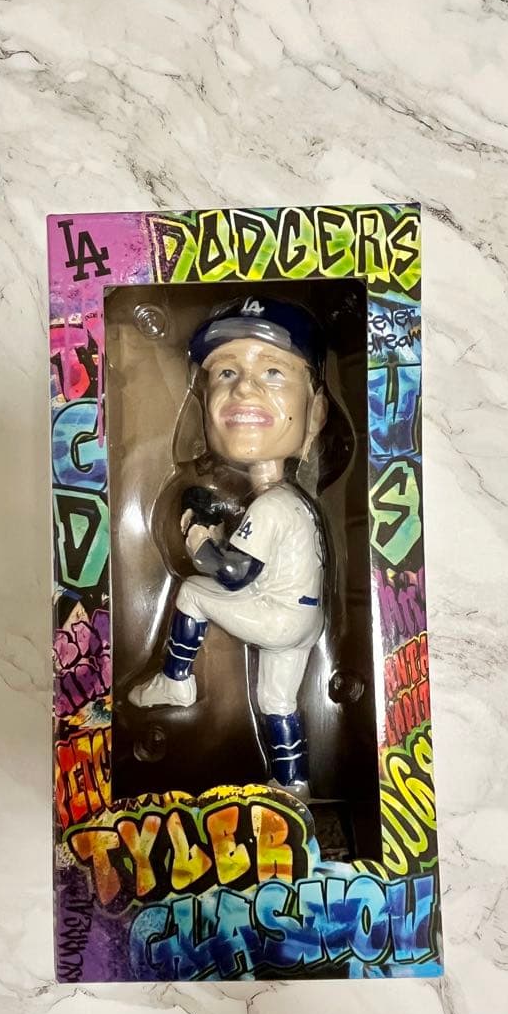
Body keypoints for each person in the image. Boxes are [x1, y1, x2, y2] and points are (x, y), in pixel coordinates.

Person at [129, 296, 328, 799]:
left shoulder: (275, 504)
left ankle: (176, 680)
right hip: (304, 619)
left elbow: (236, 575)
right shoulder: (288, 503)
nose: (243, 388)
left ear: (316, 413)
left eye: (274, 372)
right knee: (277, 703)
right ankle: (294, 783)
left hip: (280, 617)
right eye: (225, 373)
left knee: (194, 593)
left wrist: (201, 542)